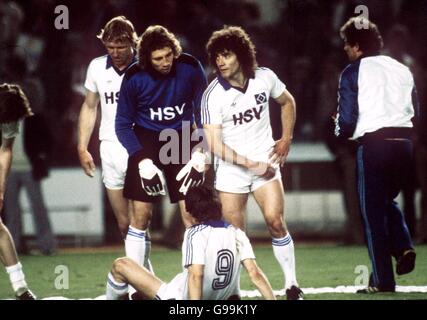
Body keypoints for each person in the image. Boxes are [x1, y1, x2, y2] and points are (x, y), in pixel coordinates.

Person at [201, 26, 303, 300]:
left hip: (264, 164)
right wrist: (250, 165)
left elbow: (288, 102)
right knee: (234, 236)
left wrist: (286, 139)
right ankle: (233, 292)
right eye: (216, 57)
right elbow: (214, 145)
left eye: (226, 55)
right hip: (233, 172)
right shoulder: (212, 95)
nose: (220, 62)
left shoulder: (264, 78)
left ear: (241, 55)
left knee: (275, 222)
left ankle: (292, 285)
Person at [115, 25, 208, 295]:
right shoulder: (134, 76)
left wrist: (200, 152)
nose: (166, 62)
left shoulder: (190, 66)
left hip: (180, 137)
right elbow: (122, 124)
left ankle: (192, 283)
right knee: (140, 218)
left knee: (190, 216)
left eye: (169, 56)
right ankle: (137, 289)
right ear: (146, 59)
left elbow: (204, 112)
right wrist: (143, 161)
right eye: (158, 58)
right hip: (145, 140)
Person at [335, 17, 418, 293]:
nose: (345, 49)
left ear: (357, 46)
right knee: (385, 202)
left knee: (372, 215)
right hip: (404, 144)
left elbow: (347, 121)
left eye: (347, 44)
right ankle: (404, 246)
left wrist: (338, 127)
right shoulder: (402, 68)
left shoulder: (352, 72)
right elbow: (415, 107)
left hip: (375, 145)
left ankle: (383, 280)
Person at [106, 185, 276, 300]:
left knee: (120, 265)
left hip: (179, 298)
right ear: (218, 207)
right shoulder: (238, 233)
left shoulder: (195, 234)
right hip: (222, 298)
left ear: (191, 213)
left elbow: (197, 275)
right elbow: (256, 275)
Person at [3, 54, 56, 256]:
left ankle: (47, 245)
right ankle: (14, 247)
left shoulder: (34, 119)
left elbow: (49, 141)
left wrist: (42, 156)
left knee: (38, 208)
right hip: (10, 170)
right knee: (12, 212)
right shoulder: (5, 121)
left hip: (29, 168)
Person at [0, 83, 36, 299]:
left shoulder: (10, 114)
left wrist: (1, 189)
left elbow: (5, 150)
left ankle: (21, 289)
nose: (7, 125)